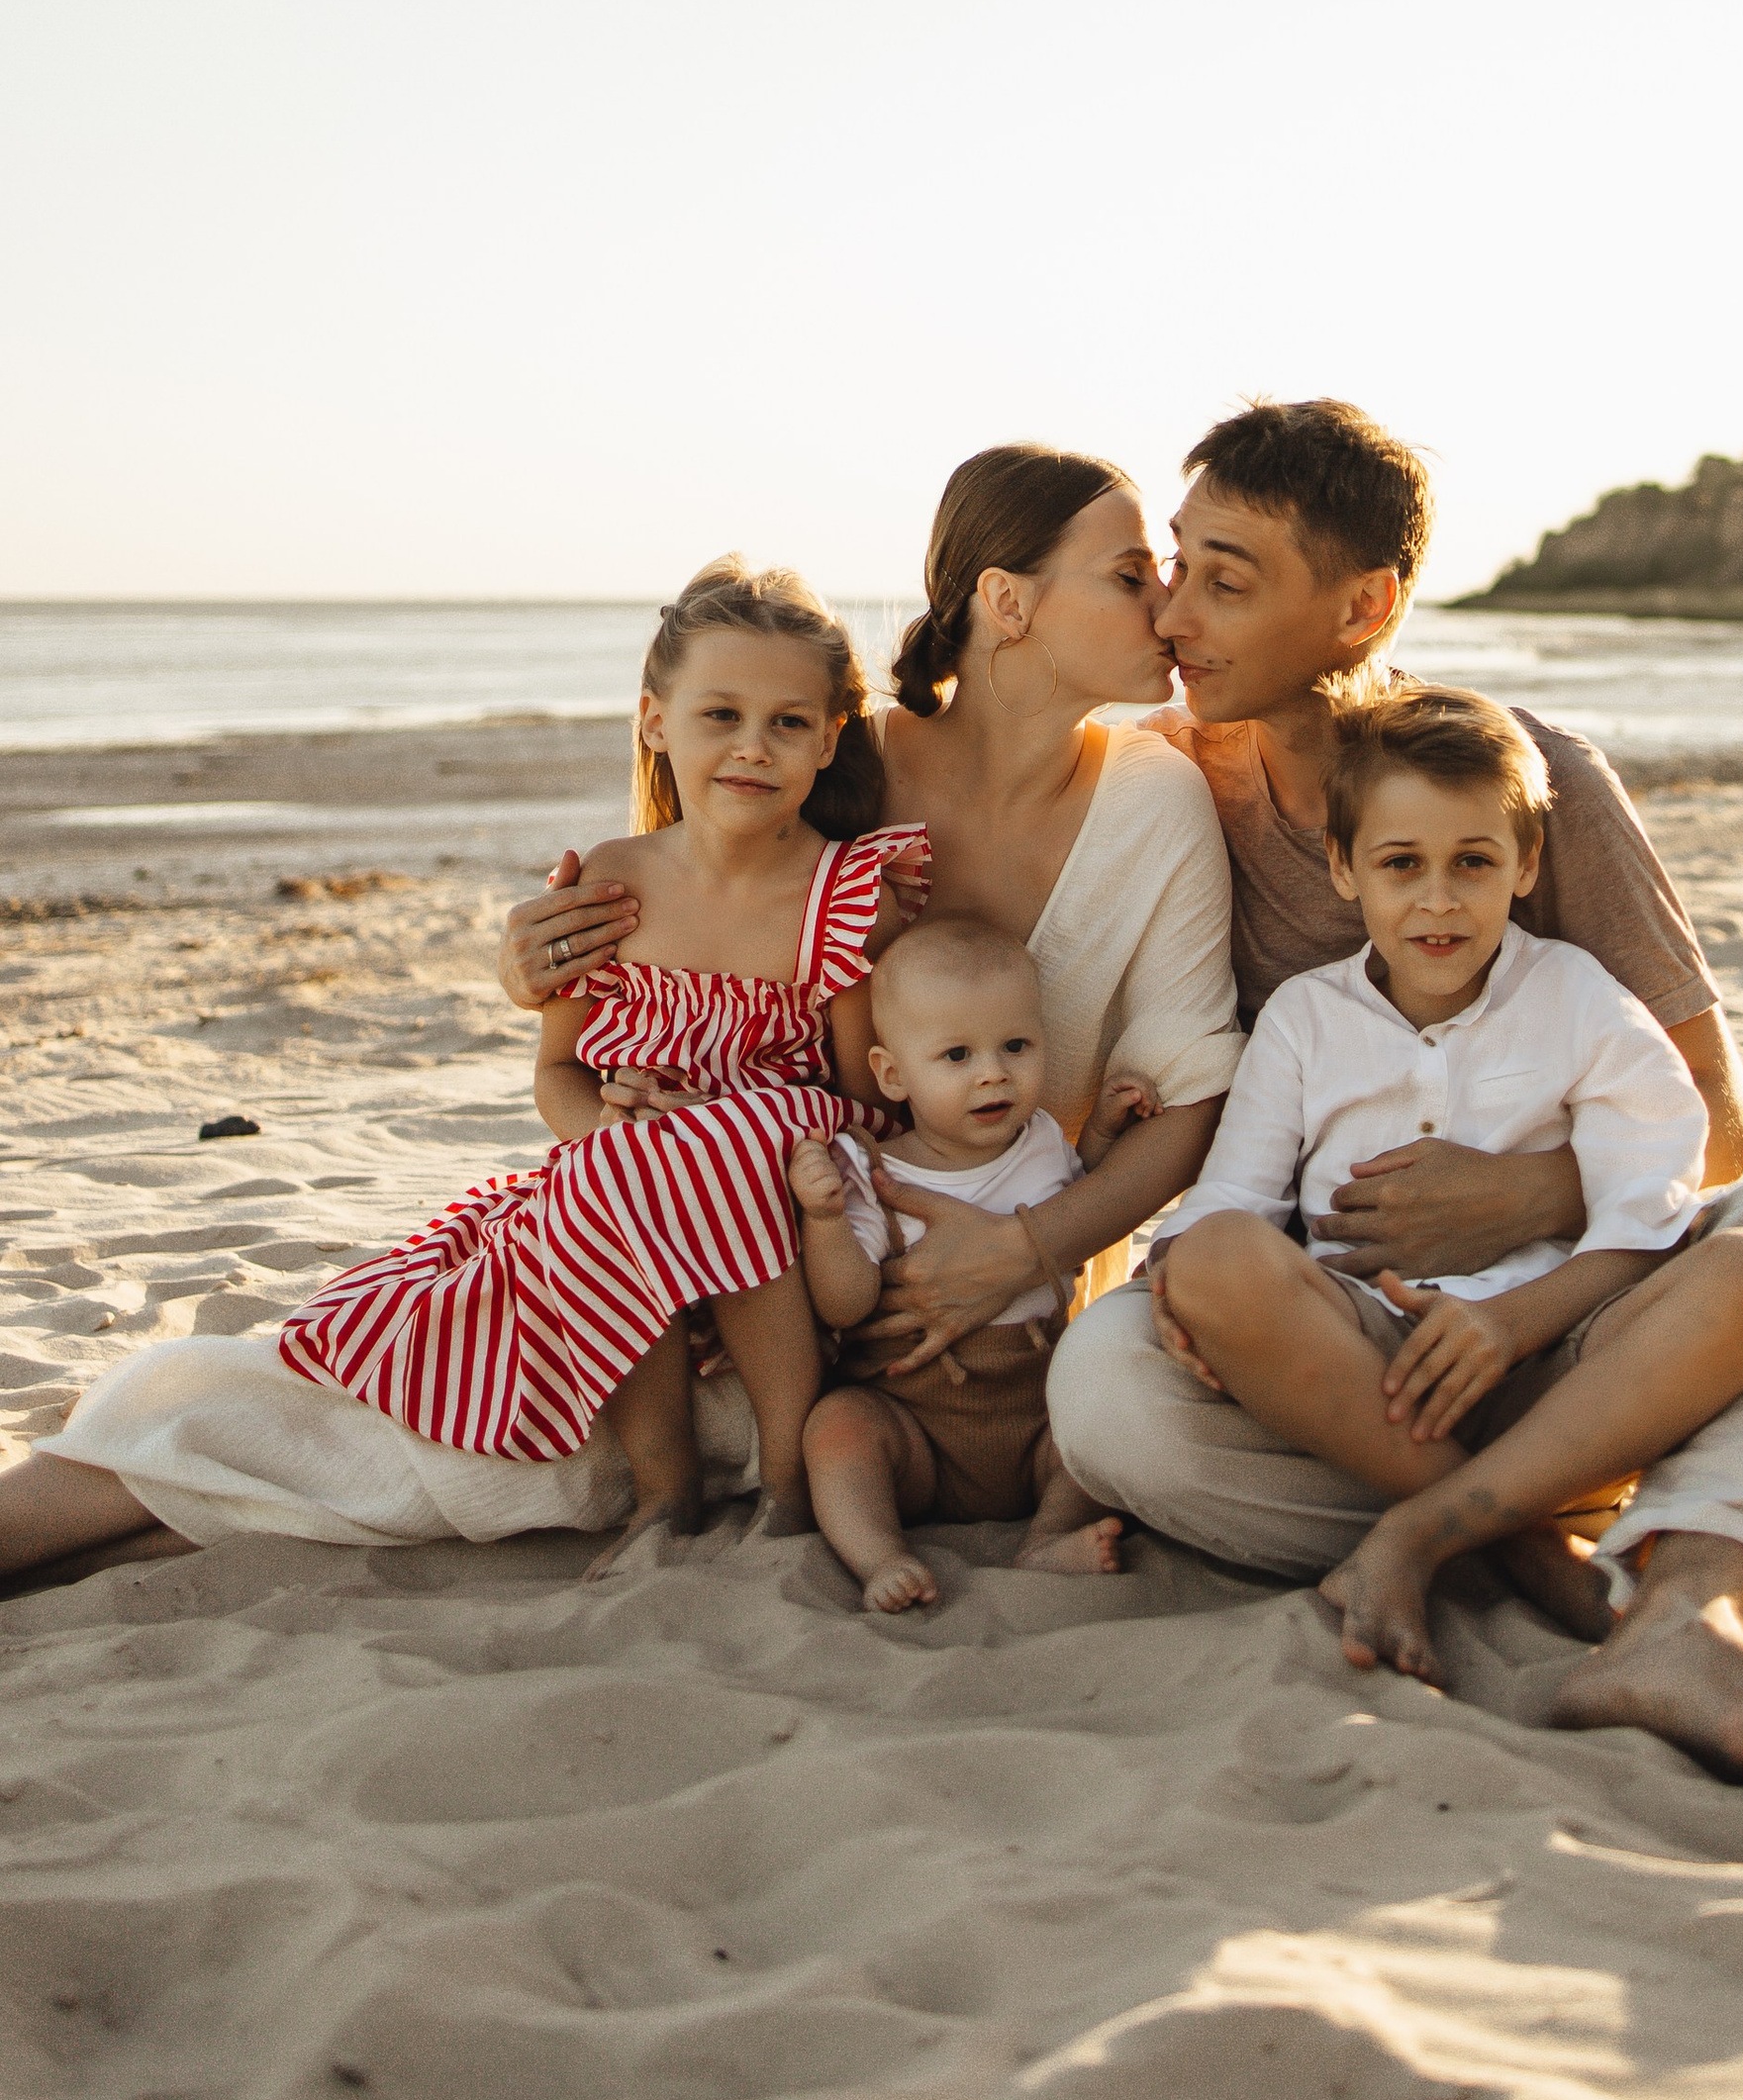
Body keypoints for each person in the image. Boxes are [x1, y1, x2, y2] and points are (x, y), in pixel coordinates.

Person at [1047, 399, 1743, 1785]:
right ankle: (1592, 1529)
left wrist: (1522, 1201)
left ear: (1363, 605)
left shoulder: (1524, 780)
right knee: (1106, 1396)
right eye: (1175, 567)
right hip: (1346, 1351)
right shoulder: (1168, 782)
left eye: (1226, 582)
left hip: (1564, 1307)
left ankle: (1678, 1616)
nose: (1173, 615)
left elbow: (1714, 1122)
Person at [0, 563, 914, 1584]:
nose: (752, 746)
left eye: (788, 723)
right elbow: (559, 1073)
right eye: (721, 715)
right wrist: (615, 1134)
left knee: (721, 1143)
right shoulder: (612, 884)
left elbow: (859, 1101)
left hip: (781, 1193)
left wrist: (729, 1123)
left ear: (828, 738)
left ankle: (788, 1480)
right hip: (627, 1193)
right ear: (656, 722)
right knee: (633, 1163)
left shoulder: (843, 896)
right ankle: (667, 1494)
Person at [503, 450, 1244, 1381]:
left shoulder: (1156, 801)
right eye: (1132, 577)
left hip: (1021, 1290)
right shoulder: (841, 759)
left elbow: (1192, 1092)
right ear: (1008, 603)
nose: (1169, 611)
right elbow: (688, 913)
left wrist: (1021, 1251)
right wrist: (534, 963)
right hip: (784, 1253)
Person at [1145, 690, 1743, 1686]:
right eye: (1400, 865)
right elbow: (1233, 1197)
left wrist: (1514, 1322)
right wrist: (1181, 1274)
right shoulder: (1303, 1018)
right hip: (1363, 1369)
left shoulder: (1578, 997)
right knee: (1213, 1259)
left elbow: (1650, 1198)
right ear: (1342, 867)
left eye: (1473, 863)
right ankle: (1524, 1545)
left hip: (1552, 1362)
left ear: (1526, 864)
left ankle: (1423, 1530)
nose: (1438, 901)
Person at [787, 919, 1159, 1605]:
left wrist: (1104, 1134)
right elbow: (844, 1303)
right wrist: (827, 1221)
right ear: (892, 1074)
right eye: (956, 1055)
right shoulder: (872, 1172)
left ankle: (1047, 1537)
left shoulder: (1042, 1138)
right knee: (836, 1428)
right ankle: (879, 1556)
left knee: (1110, 1423)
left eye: (1016, 1046)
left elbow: (1077, 1205)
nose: (993, 1072)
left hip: (1041, 1410)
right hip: (914, 1428)